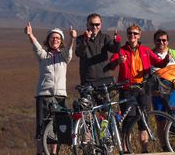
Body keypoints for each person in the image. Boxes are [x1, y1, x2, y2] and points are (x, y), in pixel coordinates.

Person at [109, 24, 170, 153]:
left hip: (143, 89)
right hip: (127, 90)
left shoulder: (145, 50)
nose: (133, 36)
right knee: (128, 122)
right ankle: (125, 151)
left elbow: (158, 63)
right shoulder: (122, 50)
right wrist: (118, 61)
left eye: (135, 33)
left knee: (144, 121)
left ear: (139, 35)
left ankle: (144, 151)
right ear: (127, 35)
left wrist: (166, 60)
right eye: (130, 33)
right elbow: (111, 65)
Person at [24, 22, 77, 155]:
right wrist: (30, 35)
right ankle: (40, 152)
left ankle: (53, 152)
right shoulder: (43, 56)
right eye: (52, 38)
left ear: (61, 41)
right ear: (48, 40)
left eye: (58, 38)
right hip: (44, 95)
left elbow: (70, 51)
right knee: (41, 126)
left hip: (60, 96)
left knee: (59, 126)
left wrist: (72, 39)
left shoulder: (63, 57)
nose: (55, 40)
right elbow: (36, 46)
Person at [150, 29, 175, 151]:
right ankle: (165, 149)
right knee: (160, 121)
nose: (161, 43)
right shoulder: (149, 55)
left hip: (174, 92)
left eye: (164, 40)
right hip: (156, 93)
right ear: (154, 41)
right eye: (158, 40)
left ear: (168, 41)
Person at [75, 13, 121, 87]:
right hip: (88, 80)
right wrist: (85, 40)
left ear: (101, 25)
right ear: (87, 25)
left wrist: (116, 42)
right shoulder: (81, 39)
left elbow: (115, 49)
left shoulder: (105, 38)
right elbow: (79, 53)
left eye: (97, 24)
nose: (95, 27)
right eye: (92, 24)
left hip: (104, 80)